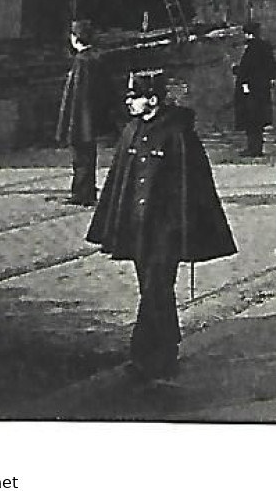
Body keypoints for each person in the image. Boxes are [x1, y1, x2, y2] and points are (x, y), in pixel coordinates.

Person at [87, 69, 237, 382]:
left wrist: (183, 227)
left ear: (152, 100)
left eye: (135, 97)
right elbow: (121, 182)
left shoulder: (178, 135)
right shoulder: (131, 131)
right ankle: (168, 347)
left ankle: (144, 355)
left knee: (156, 287)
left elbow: (191, 185)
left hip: (165, 230)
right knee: (152, 289)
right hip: (137, 228)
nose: (129, 102)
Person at [56, 20, 118, 206]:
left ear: (75, 39)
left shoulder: (81, 62)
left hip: (80, 118)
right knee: (87, 155)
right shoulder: (97, 59)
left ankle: (82, 193)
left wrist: (68, 121)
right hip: (91, 116)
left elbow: (76, 96)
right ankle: (86, 191)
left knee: (80, 156)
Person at [232, 21, 276, 157]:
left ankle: (253, 149)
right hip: (262, 89)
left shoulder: (251, 49)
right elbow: (272, 67)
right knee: (259, 120)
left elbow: (247, 70)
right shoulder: (265, 47)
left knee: (251, 120)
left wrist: (236, 70)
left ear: (247, 34)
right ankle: (257, 148)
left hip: (251, 90)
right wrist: (271, 80)